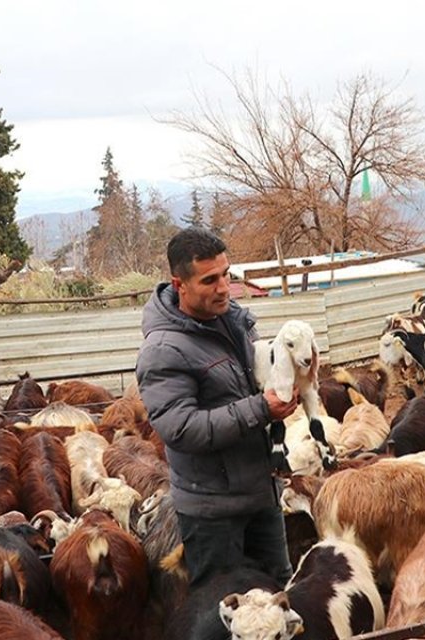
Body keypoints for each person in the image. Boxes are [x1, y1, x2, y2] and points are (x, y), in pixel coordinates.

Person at [135, 227, 299, 585]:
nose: (224, 287)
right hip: (213, 515)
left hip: (261, 496)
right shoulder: (164, 349)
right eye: (210, 280)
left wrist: (288, 377)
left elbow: (251, 382)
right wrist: (261, 410)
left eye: (226, 274)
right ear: (179, 284)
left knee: (278, 600)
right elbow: (180, 428)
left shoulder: (233, 321)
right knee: (224, 613)